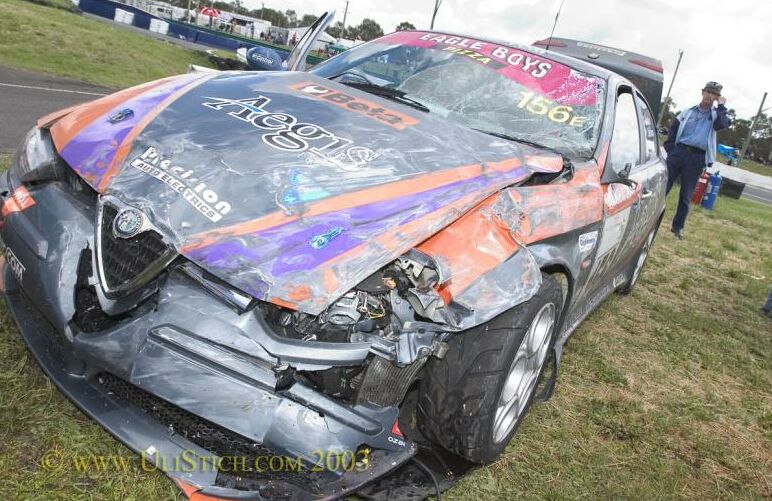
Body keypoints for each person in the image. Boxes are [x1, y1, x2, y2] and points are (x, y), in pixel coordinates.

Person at [663, 81, 731, 239]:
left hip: (696, 158)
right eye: (707, 92)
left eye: (713, 94)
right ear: (702, 92)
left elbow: (723, 124)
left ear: (716, 97)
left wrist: (721, 106)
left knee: (686, 194)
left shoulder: (716, 116)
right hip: (678, 152)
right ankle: (652, 217)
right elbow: (673, 129)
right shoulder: (687, 111)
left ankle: (677, 227)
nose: (709, 95)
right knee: (663, 187)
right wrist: (671, 149)